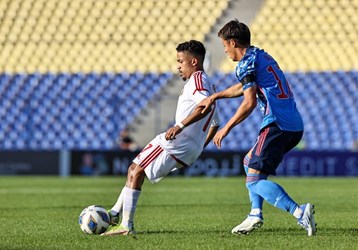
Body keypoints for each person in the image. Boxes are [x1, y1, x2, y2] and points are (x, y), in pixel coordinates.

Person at [199, 19, 316, 236]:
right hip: (293, 124)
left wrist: (226, 128)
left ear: (233, 42)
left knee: (254, 180)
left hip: (276, 124)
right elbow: (245, 86)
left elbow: (249, 102)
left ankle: (299, 212)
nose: (225, 51)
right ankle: (255, 214)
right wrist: (216, 96)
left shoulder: (245, 63)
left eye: (225, 46)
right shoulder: (261, 56)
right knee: (248, 162)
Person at [102, 40, 220, 236]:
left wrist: (179, 126)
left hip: (178, 142)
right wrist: (200, 147)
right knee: (136, 171)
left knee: (135, 170)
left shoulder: (198, 81)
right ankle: (115, 213)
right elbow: (215, 123)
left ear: (194, 62)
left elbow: (204, 105)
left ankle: (125, 225)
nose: (178, 66)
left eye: (180, 61)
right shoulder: (208, 83)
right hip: (189, 147)